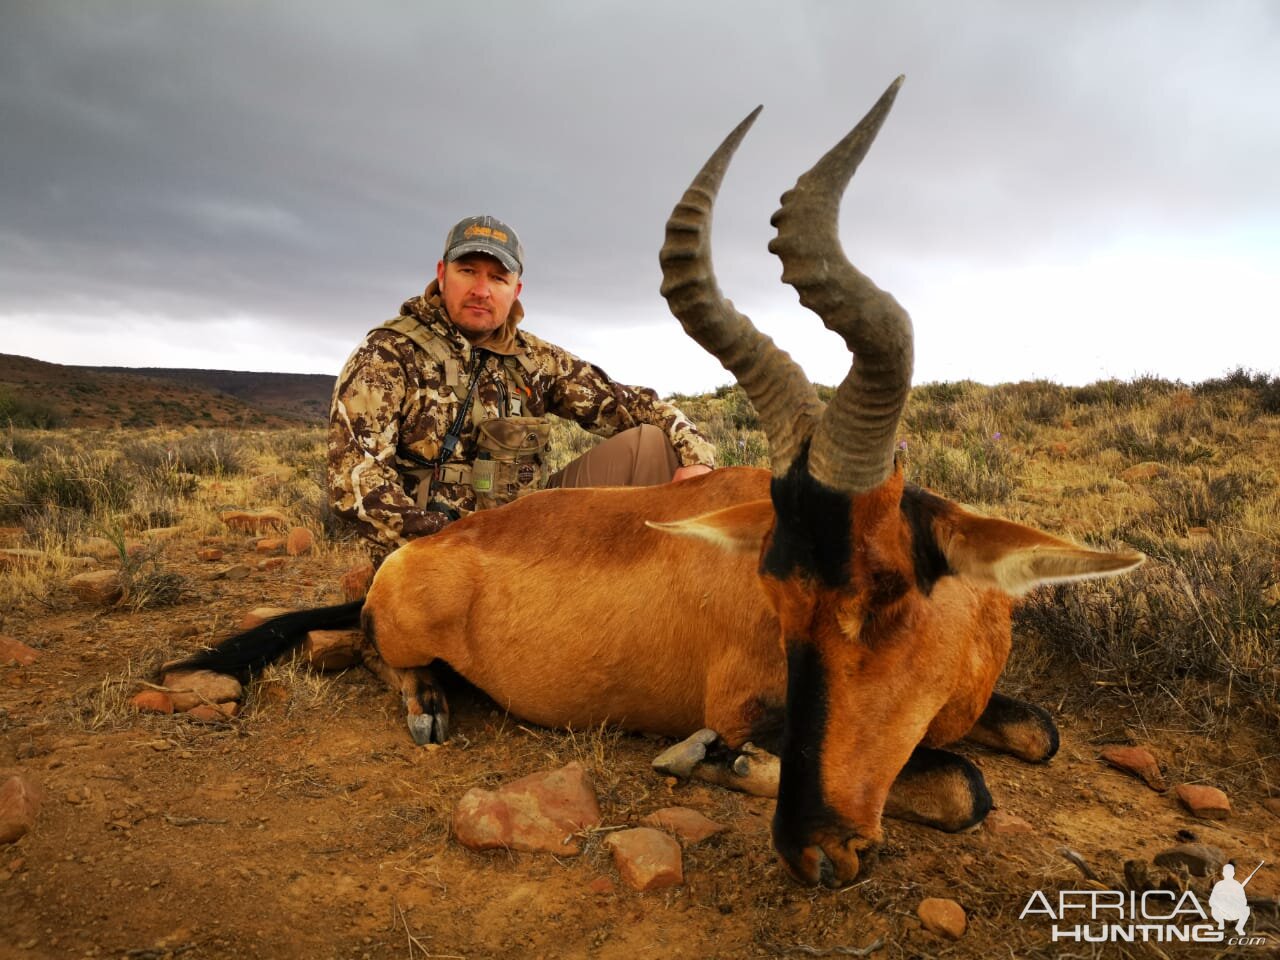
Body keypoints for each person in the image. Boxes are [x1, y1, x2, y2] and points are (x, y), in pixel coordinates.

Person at [329, 214, 715, 565]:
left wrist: (697, 456)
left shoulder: (534, 359)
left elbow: (635, 405)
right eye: (468, 271)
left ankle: (654, 599)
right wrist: (457, 545)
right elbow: (356, 484)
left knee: (650, 444)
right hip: (436, 556)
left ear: (516, 289)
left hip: (527, 535)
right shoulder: (388, 354)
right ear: (442, 274)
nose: (482, 290)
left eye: (498, 278)